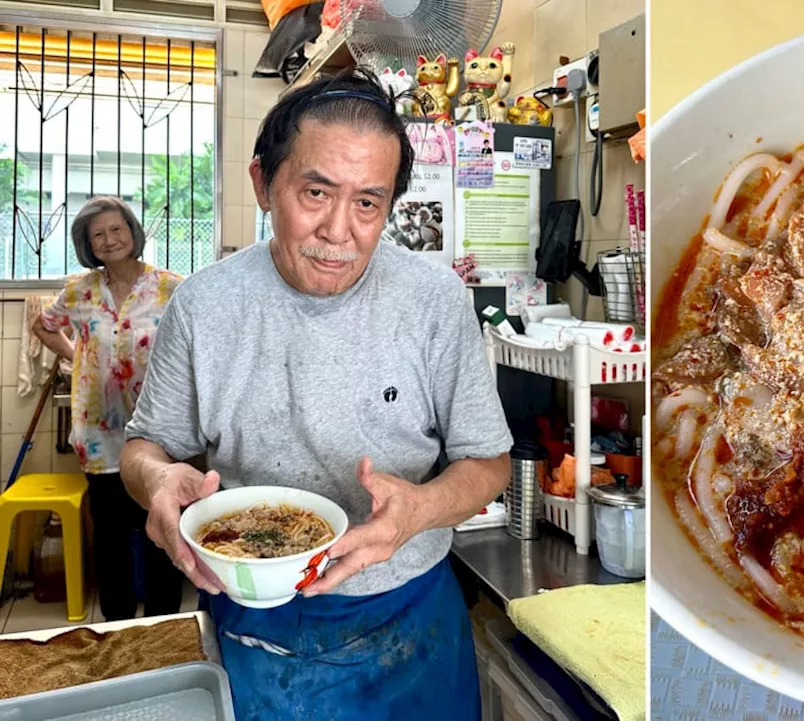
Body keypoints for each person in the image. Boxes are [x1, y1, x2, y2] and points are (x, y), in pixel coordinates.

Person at [119, 68, 512, 720]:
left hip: (411, 620)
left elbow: (488, 462)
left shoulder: (434, 301)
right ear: (263, 184)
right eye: (316, 192)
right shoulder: (204, 305)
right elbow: (143, 447)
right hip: (254, 623)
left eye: (368, 203)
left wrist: (418, 508)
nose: (339, 230)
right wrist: (158, 480)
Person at [32, 196, 186, 621]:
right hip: (98, 435)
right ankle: (117, 632)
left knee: (162, 534)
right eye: (97, 234)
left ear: (132, 232)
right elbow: (43, 326)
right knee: (112, 538)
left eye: (116, 229)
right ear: (88, 244)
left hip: (158, 433)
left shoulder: (171, 286)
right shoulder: (79, 290)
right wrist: (75, 356)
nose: (109, 240)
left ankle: (163, 629)